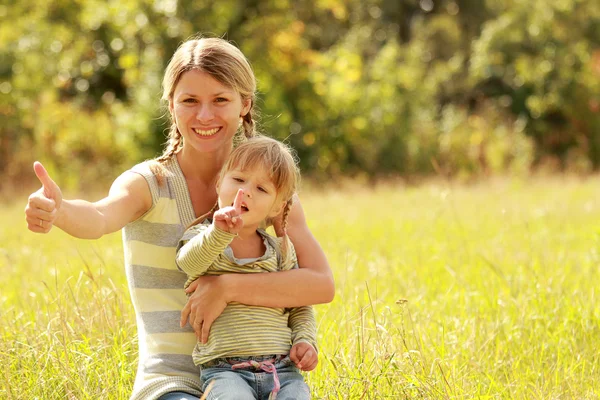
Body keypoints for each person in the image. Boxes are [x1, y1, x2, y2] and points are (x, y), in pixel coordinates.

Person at [24, 36, 334, 400]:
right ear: (171, 106)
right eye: (189, 101)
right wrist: (59, 210)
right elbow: (99, 215)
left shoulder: (267, 196)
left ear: (244, 105)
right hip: (172, 384)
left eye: (220, 100)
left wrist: (227, 287)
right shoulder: (149, 183)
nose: (204, 115)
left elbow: (319, 284)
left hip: (260, 378)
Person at [177, 136, 317, 399]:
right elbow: (188, 262)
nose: (247, 192)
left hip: (283, 371)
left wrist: (304, 341)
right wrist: (219, 232)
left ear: (276, 207)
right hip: (225, 371)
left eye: (262, 189)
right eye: (239, 180)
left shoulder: (280, 250)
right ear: (220, 182)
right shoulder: (203, 237)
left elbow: (300, 304)